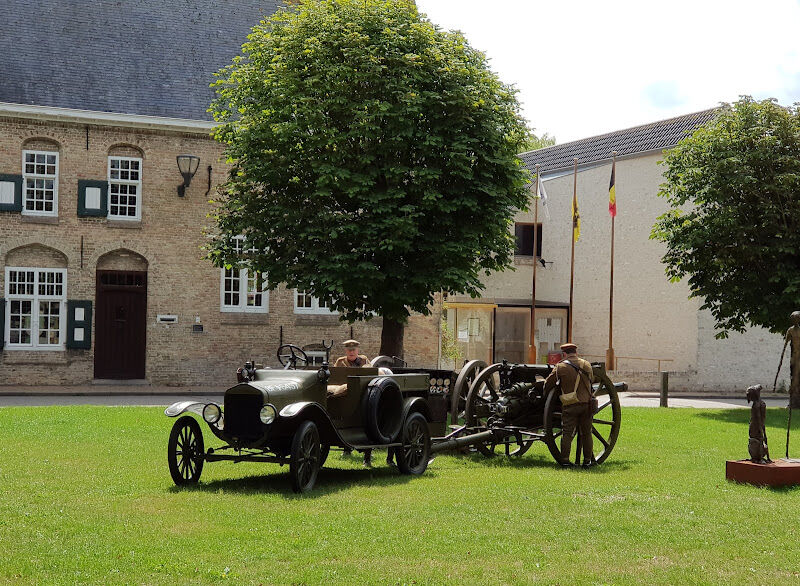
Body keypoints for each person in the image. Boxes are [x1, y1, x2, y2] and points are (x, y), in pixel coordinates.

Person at [543, 343, 595, 468]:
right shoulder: (586, 364)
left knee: (567, 433)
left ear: (564, 354)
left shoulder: (560, 367)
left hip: (570, 405)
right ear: (575, 352)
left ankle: (565, 460)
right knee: (587, 433)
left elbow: (548, 384)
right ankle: (587, 461)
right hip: (586, 405)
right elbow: (591, 380)